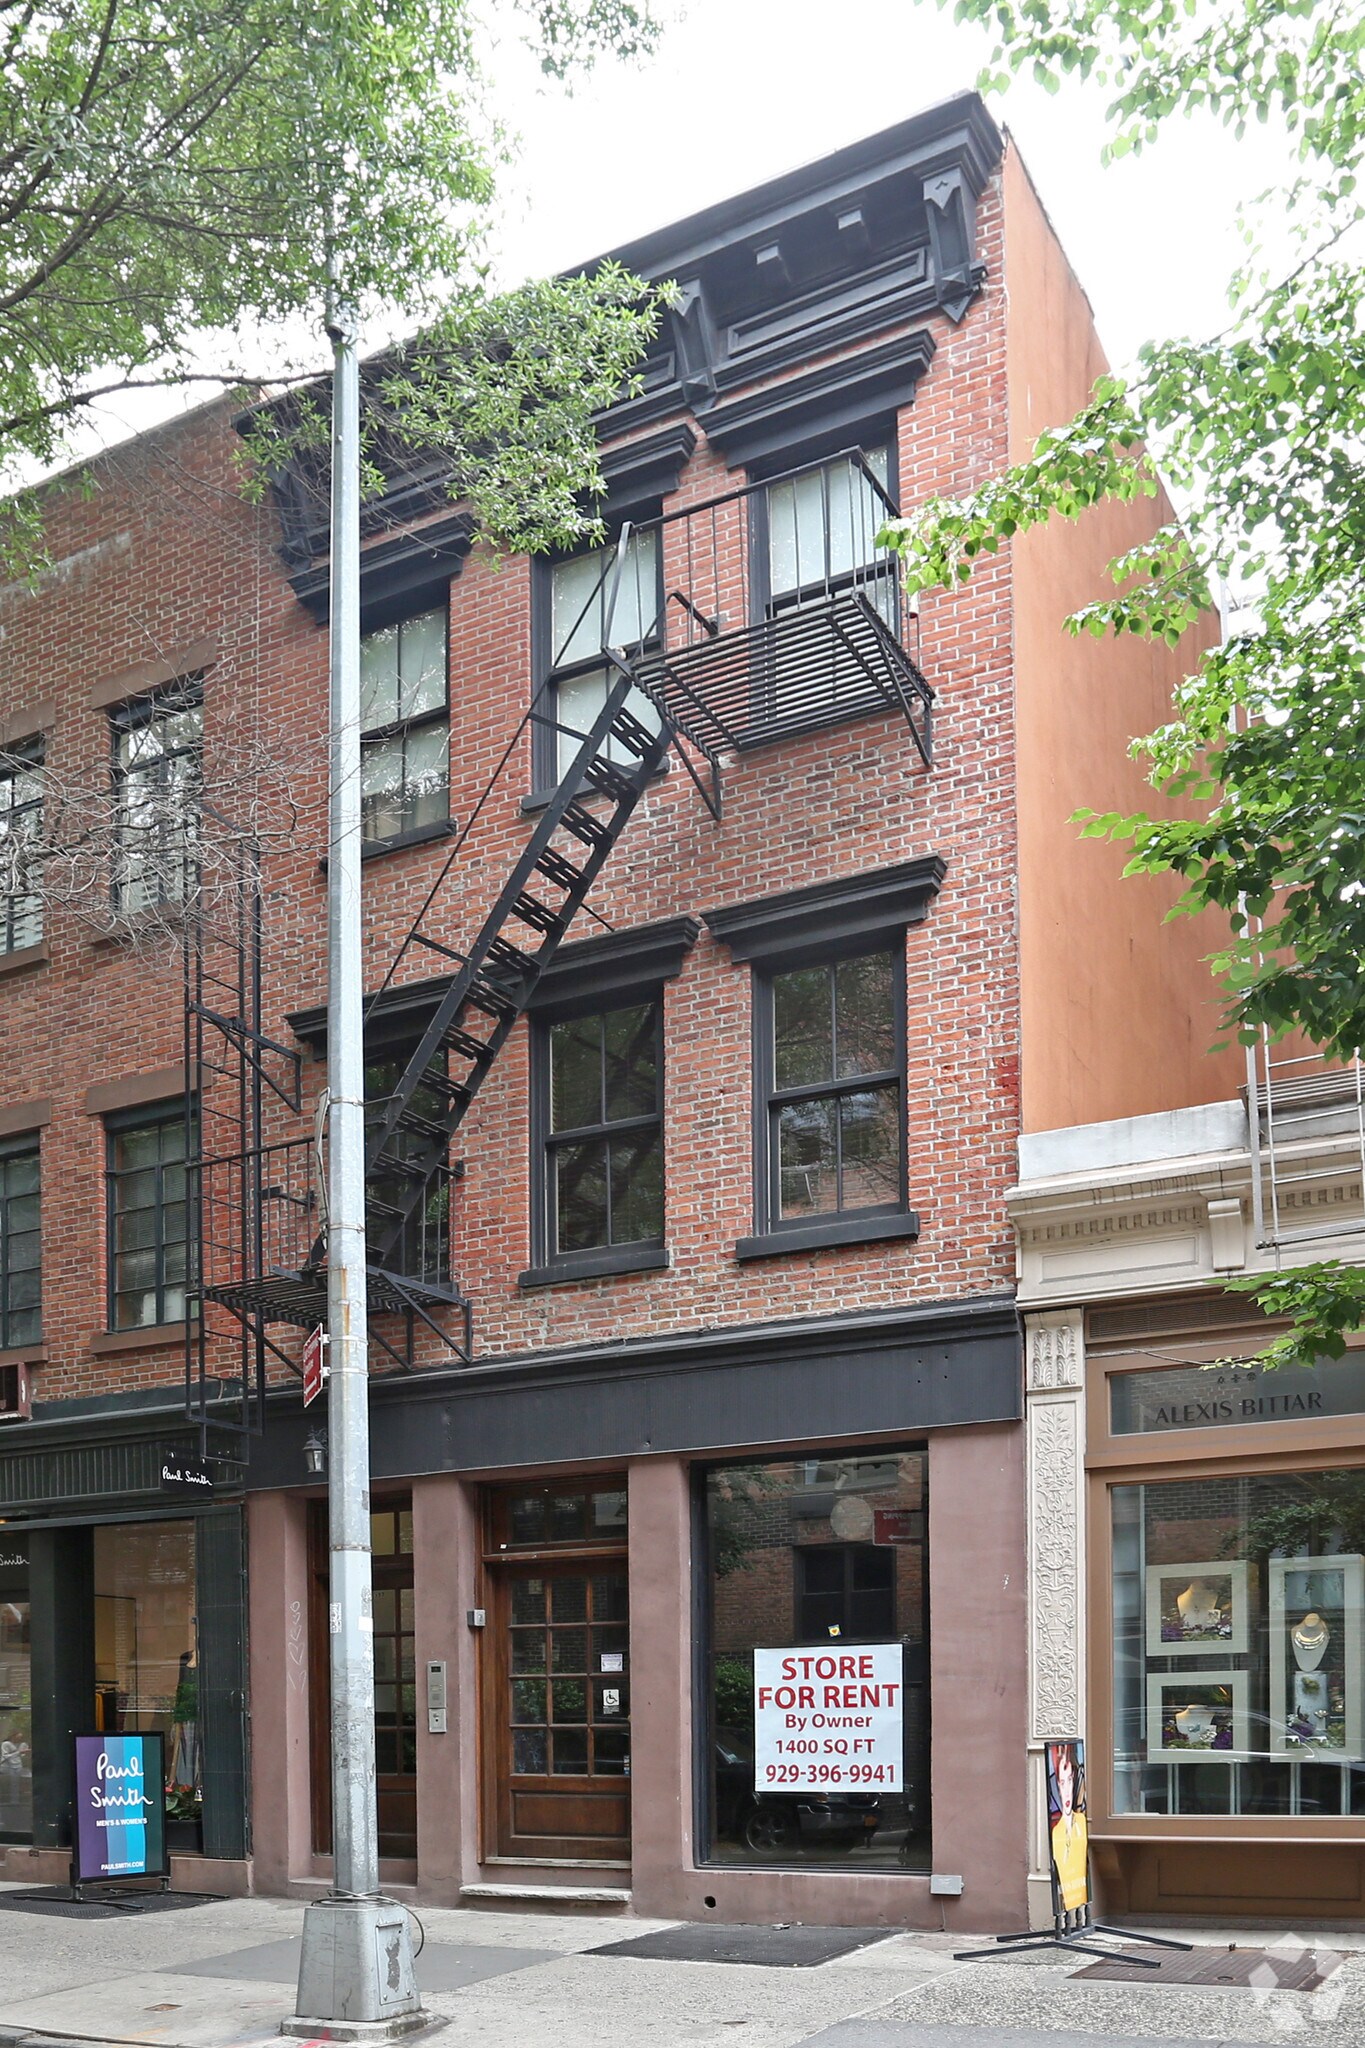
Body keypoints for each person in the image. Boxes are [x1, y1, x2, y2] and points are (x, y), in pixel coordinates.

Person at [1047, 1740, 1088, 1914]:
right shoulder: (1056, 1832)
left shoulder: (1081, 1822)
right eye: (1062, 1783)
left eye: (1069, 1780)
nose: (1066, 1789)